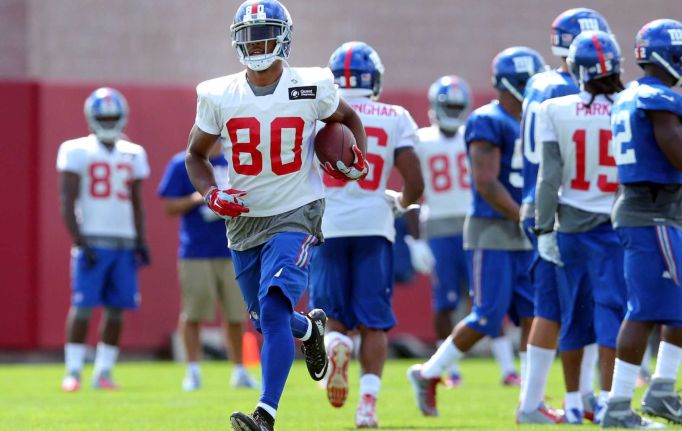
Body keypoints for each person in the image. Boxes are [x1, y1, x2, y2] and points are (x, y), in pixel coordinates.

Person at [184, 2, 369, 430]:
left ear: (285, 36)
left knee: (271, 310)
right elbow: (196, 154)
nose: (256, 43)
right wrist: (211, 194)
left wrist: (358, 158)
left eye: (265, 33)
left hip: (297, 210)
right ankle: (309, 331)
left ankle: (265, 414)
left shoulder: (313, 84)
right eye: (249, 35)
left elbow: (348, 118)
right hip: (245, 218)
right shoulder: (217, 93)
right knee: (265, 319)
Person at [407, 46, 543, 417]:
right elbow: (485, 182)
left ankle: (531, 402)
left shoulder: (534, 119)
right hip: (492, 229)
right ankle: (428, 372)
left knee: (534, 314)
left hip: (523, 226)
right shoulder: (488, 120)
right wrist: (525, 216)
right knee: (486, 314)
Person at [602, 19, 682, 428]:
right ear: (664, 55)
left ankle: (662, 391)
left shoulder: (631, 96)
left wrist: (681, 210)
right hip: (648, 214)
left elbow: (653, 163)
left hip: (660, 209)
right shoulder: (659, 98)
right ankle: (617, 407)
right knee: (645, 311)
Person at [309, 41, 424, 428]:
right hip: (375, 226)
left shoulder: (316, 114)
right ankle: (367, 407)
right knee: (374, 323)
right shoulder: (395, 115)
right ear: (373, 78)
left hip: (328, 225)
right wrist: (399, 202)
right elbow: (415, 182)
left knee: (333, 319)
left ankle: (338, 346)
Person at [518, 8, 611, 424]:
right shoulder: (566, 89)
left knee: (553, 307)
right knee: (580, 307)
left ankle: (537, 402)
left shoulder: (539, 81)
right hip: (563, 205)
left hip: (538, 200)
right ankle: (577, 397)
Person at [532, 30, 627, 425]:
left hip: (570, 226)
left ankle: (573, 402)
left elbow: (548, 178)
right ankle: (607, 399)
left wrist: (542, 227)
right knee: (613, 312)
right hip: (618, 223)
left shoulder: (555, 108)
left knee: (573, 314)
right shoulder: (630, 104)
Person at [57, 87, 150, 392]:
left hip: (124, 241)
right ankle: (72, 371)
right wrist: (80, 240)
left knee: (117, 310)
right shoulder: (75, 149)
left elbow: (137, 202)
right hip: (92, 240)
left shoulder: (134, 152)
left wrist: (141, 240)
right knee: (82, 308)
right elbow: (67, 199)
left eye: (112, 116)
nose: (108, 121)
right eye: (104, 116)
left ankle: (103, 372)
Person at [158, 140, 258, 391]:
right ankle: (192, 370)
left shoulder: (236, 161)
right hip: (197, 249)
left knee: (236, 314)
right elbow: (169, 206)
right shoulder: (183, 162)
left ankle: (239, 370)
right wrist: (199, 197)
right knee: (194, 313)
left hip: (233, 247)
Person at [411, 75, 472, 388]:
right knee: (446, 299)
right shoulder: (421, 138)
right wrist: (414, 240)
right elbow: (411, 188)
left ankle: (505, 367)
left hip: (472, 222)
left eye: (456, 105)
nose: (452, 110)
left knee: (479, 296)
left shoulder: (474, 135)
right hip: (437, 224)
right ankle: (447, 365)